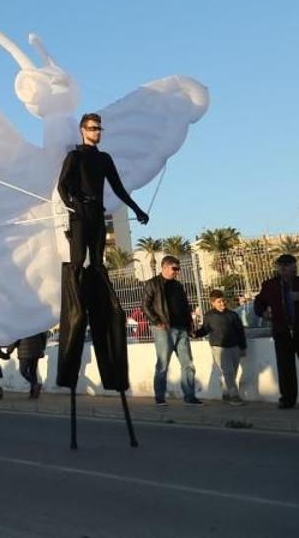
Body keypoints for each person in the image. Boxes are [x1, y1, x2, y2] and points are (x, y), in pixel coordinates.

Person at [55, 113, 147, 402]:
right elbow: (62, 186)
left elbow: (118, 187)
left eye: (99, 129)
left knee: (97, 264)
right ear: (83, 130)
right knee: (77, 263)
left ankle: (99, 299)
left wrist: (137, 209)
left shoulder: (104, 158)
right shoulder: (74, 157)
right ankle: (76, 305)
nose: (97, 132)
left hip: (97, 215)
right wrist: (73, 204)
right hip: (80, 217)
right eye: (92, 128)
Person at [253, 253, 299, 409]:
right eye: (281, 265)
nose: (284, 268)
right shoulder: (270, 285)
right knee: (285, 369)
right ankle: (287, 399)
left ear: (294, 266)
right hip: (282, 332)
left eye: (287, 265)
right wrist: (263, 312)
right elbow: (258, 302)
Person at [142, 256, 201, 405]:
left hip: (181, 329)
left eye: (178, 269)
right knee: (163, 364)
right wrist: (156, 321)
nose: (177, 271)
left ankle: (190, 396)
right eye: (175, 268)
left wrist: (190, 325)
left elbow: (185, 306)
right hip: (163, 329)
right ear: (164, 267)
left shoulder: (178, 285)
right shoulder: (152, 284)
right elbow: (145, 306)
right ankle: (159, 397)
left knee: (188, 364)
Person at [194, 289, 247, 405]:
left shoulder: (232, 315)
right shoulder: (209, 316)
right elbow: (205, 330)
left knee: (233, 372)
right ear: (212, 303)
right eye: (219, 302)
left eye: (223, 301)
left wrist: (243, 347)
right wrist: (195, 334)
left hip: (234, 347)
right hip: (219, 348)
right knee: (228, 372)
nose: (222, 303)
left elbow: (240, 331)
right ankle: (234, 396)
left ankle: (226, 394)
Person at [9, 332, 48, 398]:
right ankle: (33, 393)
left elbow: (16, 339)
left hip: (24, 352)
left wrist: (9, 350)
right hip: (36, 351)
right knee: (33, 372)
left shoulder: (21, 328)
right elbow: (44, 336)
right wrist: (42, 347)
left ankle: (35, 384)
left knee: (23, 371)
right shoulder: (37, 327)